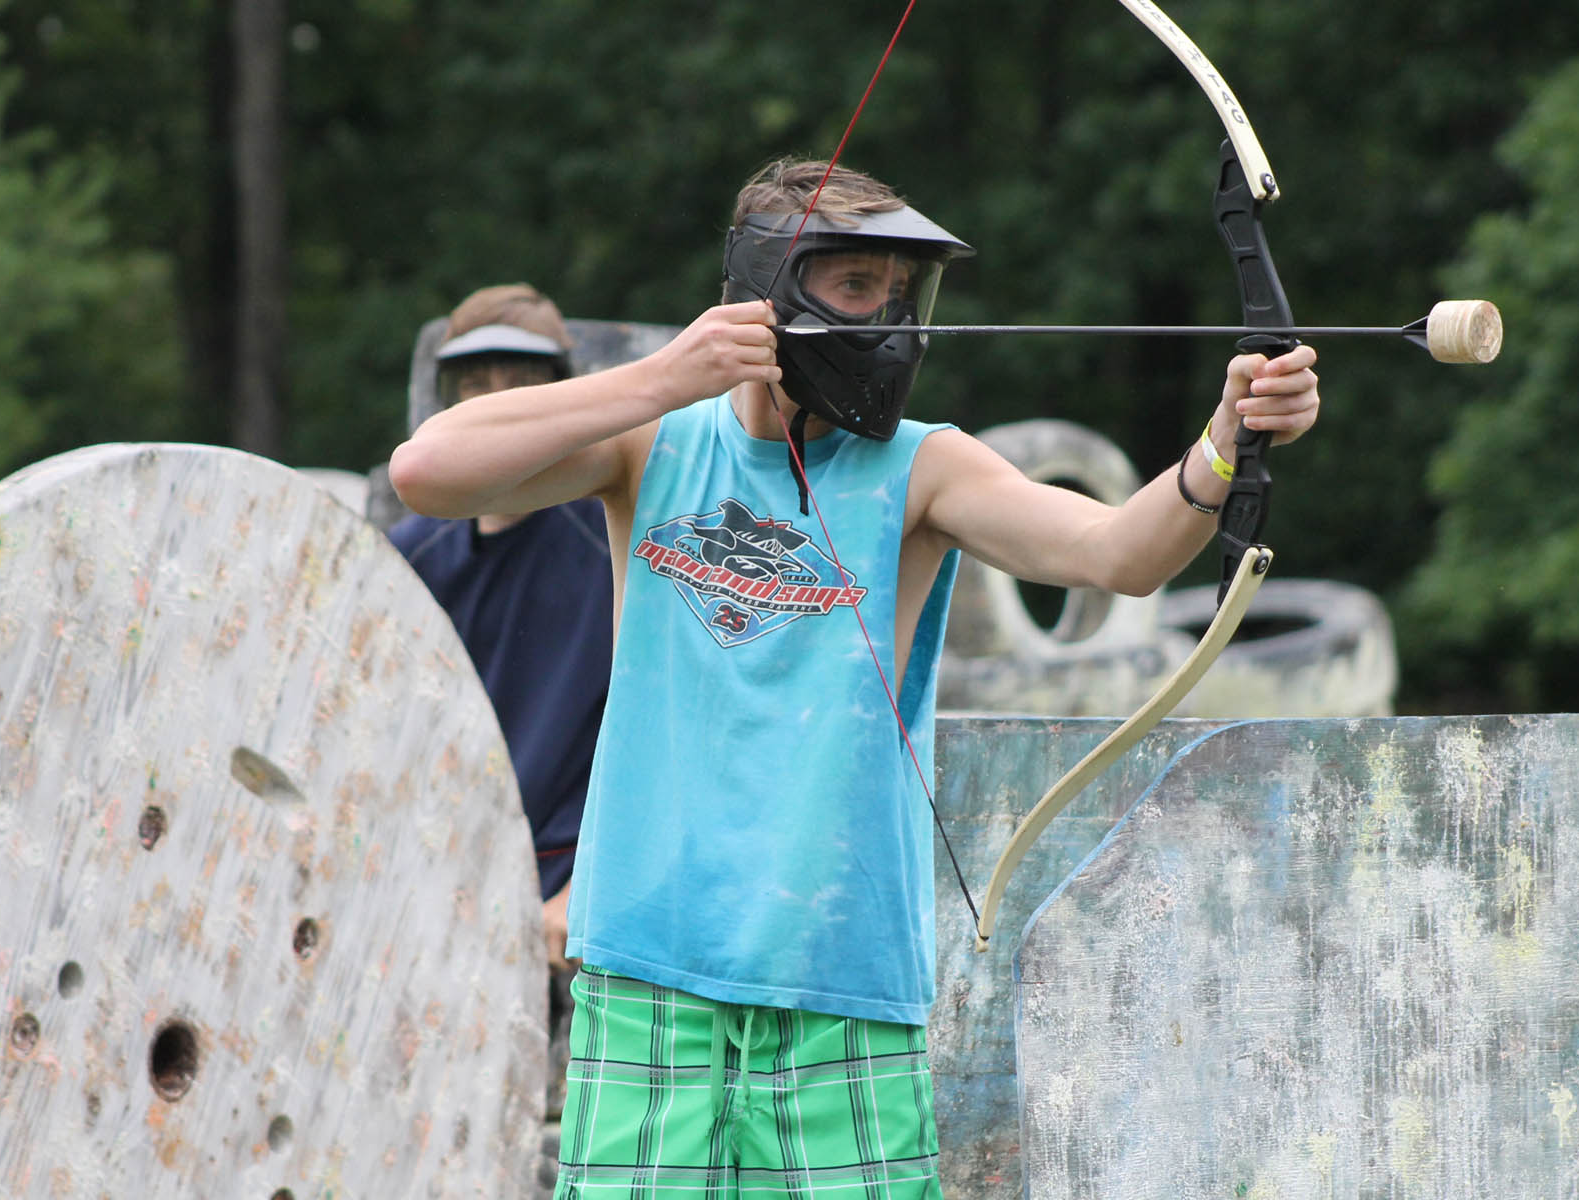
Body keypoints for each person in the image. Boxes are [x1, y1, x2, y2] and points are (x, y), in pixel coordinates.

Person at [388, 159, 1320, 1197]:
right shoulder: (651, 441)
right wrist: (667, 372)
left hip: (840, 977)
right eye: (854, 285)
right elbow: (427, 472)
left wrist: (1225, 444)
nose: (887, 319)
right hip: (647, 960)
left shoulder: (927, 466)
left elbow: (1117, 556)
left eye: (899, 291)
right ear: (764, 287)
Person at [386, 283, 611, 1120]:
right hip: (435, 887)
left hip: (572, 897)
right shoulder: (407, 557)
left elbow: (662, 736)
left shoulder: (615, 546)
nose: (494, 403)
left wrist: (585, 883)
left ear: (561, 392)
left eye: (519, 380)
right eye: (473, 383)